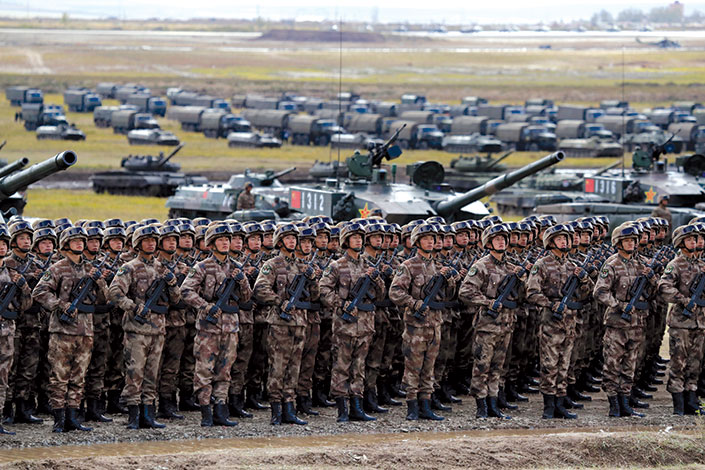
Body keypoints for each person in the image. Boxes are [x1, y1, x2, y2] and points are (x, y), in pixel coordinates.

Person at [33, 226, 108, 433]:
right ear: (66, 244)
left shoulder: (91, 269)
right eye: (75, 241)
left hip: (85, 331)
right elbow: (39, 291)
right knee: (59, 376)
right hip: (62, 331)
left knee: (78, 377)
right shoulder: (58, 268)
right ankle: (59, 418)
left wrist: (99, 280)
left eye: (82, 241)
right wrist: (60, 305)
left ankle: (73, 417)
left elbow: (105, 299)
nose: (80, 244)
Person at [108, 224, 181, 430]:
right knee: (134, 373)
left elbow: (175, 299)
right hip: (137, 330)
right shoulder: (129, 267)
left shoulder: (162, 268)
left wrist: (173, 282)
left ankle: (148, 415)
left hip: (158, 329)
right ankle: (133, 416)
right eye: (146, 241)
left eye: (153, 241)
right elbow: (114, 292)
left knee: (152, 374)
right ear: (138, 244)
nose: (150, 244)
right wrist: (132, 306)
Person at [182, 223, 251, 427]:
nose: (225, 243)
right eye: (220, 240)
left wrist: (242, 281)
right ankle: (206, 412)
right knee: (204, 370)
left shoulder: (236, 268)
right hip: (208, 328)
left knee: (225, 370)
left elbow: (246, 298)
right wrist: (205, 306)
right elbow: (186, 291)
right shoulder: (202, 267)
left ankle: (221, 410)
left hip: (231, 327)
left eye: (227, 240)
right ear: (212, 244)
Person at [254, 223, 320, 426]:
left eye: (294, 238)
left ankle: (290, 409)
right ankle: (276, 409)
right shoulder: (272, 264)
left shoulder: (303, 266)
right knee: (278, 367)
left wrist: (313, 279)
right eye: (288, 238)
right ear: (280, 241)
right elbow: (259, 288)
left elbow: (315, 297)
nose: (292, 241)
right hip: (280, 323)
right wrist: (278, 301)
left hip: (300, 323)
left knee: (294, 367)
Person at [390, 223, 456, 421]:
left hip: (435, 323)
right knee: (413, 366)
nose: (430, 242)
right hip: (415, 325)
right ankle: (412, 406)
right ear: (417, 241)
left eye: (433, 239)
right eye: (426, 239)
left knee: (429, 367)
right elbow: (395, 292)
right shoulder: (408, 266)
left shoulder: (439, 266)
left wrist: (450, 280)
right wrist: (414, 302)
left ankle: (426, 405)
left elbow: (449, 296)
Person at [320, 222, 385, 422]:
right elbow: (323, 290)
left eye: (360, 238)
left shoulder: (368, 266)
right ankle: (342, 409)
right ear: (346, 241)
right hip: (344, 325)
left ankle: (357, 406)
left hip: (365, 324)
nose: (358, 241)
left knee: (359, 367)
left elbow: (380, 295)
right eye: (354, 238)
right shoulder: (336, 266)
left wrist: (376, 280)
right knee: (342, 366)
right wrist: (341, 303)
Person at [527, 224, 591, 420]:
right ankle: (548, 406)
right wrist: (550, 304)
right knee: (549, 364)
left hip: (570, 322)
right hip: (551, 323)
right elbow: (531, 292)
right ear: (550, 242)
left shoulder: (573, 266)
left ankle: (560, 403)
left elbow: (587, 294)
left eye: (566, 239)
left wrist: (585, 279)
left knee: (565, 364)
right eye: (560, 238)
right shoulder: (542, 265)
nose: (565, 242)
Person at [594, 223, 653, 418]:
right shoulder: (611, 264)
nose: (631, 244)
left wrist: (651, 277)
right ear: (618, 243)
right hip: (617, 324)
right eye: (627, 241)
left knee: (630, 364)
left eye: (633, 241)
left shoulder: (642, 264)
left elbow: (655, 291)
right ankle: (614, 405)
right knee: (612, 364)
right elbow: (600, 292)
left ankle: (625, 403)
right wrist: (618, 304)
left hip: (636, 323)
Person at [657, 224, 705, 415]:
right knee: (678, 363)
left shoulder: (702, 265)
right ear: (681, 243)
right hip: (681, 324)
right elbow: (663, 286)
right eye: (690, 239)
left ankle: (691, 400)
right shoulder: (675, 264)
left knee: (695, 363)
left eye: (696, 239)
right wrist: (684, 300)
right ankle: (678, 403)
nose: (694, 242)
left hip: (700, 323)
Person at [0, 225, 33, 435]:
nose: (1, 247)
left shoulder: (13, 274)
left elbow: (26, 304)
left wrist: (22, 286)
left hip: (6, 333)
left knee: (2, 377)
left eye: (3, 244)